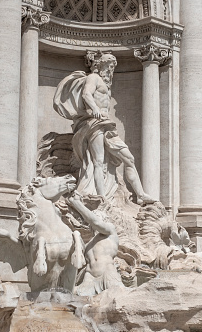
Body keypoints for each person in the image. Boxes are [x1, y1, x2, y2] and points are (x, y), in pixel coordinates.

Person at [53, 52, 155, 204]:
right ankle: (102, 198)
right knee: (98, 161)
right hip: (95, 123)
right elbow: (86, 94)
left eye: (112, 67)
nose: (110, 70)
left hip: (107, 125)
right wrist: (93, 108)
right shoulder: (93, 78)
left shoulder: (106, 86)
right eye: (108, 66)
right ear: (100, 66)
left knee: (129, 159)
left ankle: (140, 195)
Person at [66, 191, 124, 296]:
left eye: (97, 216)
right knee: (71, 295)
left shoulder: (111, 232)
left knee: (118, 296)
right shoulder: (88, 244)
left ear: (104, 220)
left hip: (107, 273)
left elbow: (96, 222)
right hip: (89, 278)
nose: (91, 222)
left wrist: (76, 203)